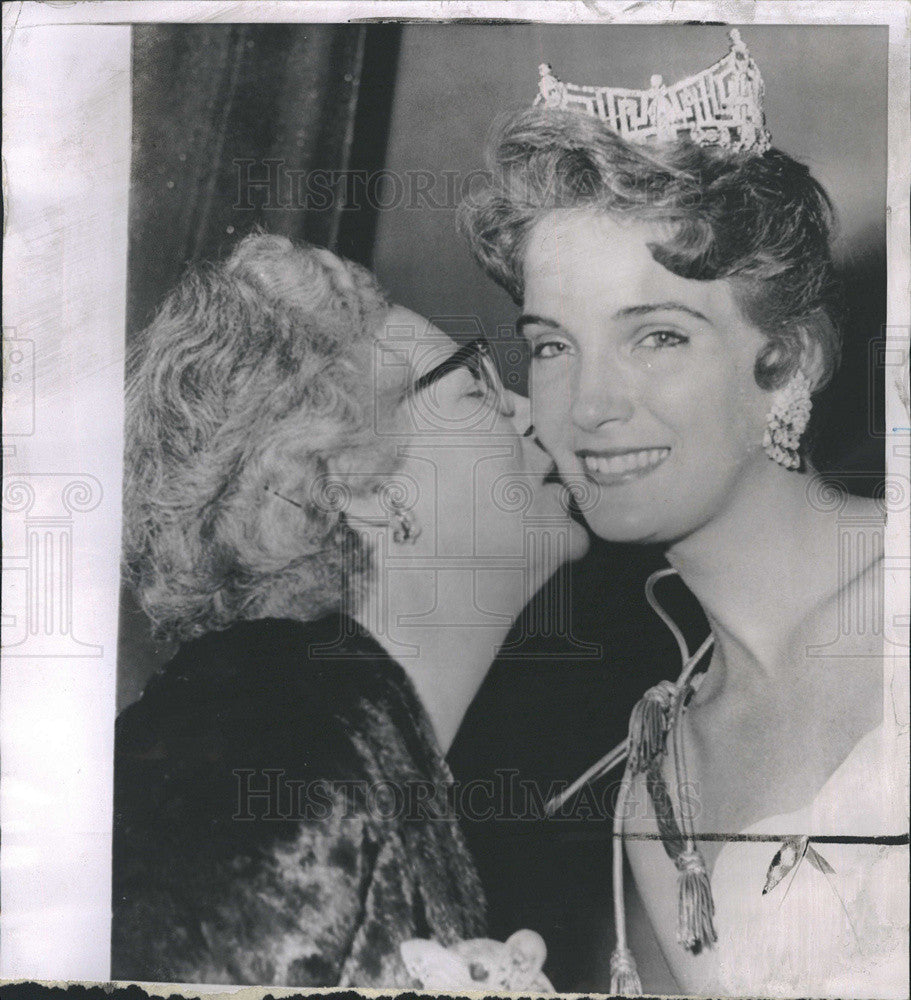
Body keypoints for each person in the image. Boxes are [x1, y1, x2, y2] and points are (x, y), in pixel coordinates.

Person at [460, 76, 907, 997]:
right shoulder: (654, 776)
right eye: (550, 345)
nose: (587, 406)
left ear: (787, 362)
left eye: (656, 336)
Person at [112, 233, 588, 987]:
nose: (529, 412)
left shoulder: (308, 745)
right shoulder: (263, 774)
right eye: (475, 386)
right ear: (360, 482)